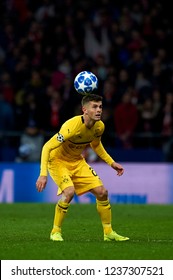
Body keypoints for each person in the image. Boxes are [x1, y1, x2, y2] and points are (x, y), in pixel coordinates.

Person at [36, 94, 129, 242]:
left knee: (102, 192)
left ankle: (108, 232)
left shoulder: (99, 127)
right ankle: (55, 231)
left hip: (77, 161)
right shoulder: (71, 127)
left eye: (100, 107)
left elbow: (96, 145)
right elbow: (47, 146)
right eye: (94, 107)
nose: (98, 110)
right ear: (84, 110)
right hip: (58, 161)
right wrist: (43, 174)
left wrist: (111, 163)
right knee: (69, 192)